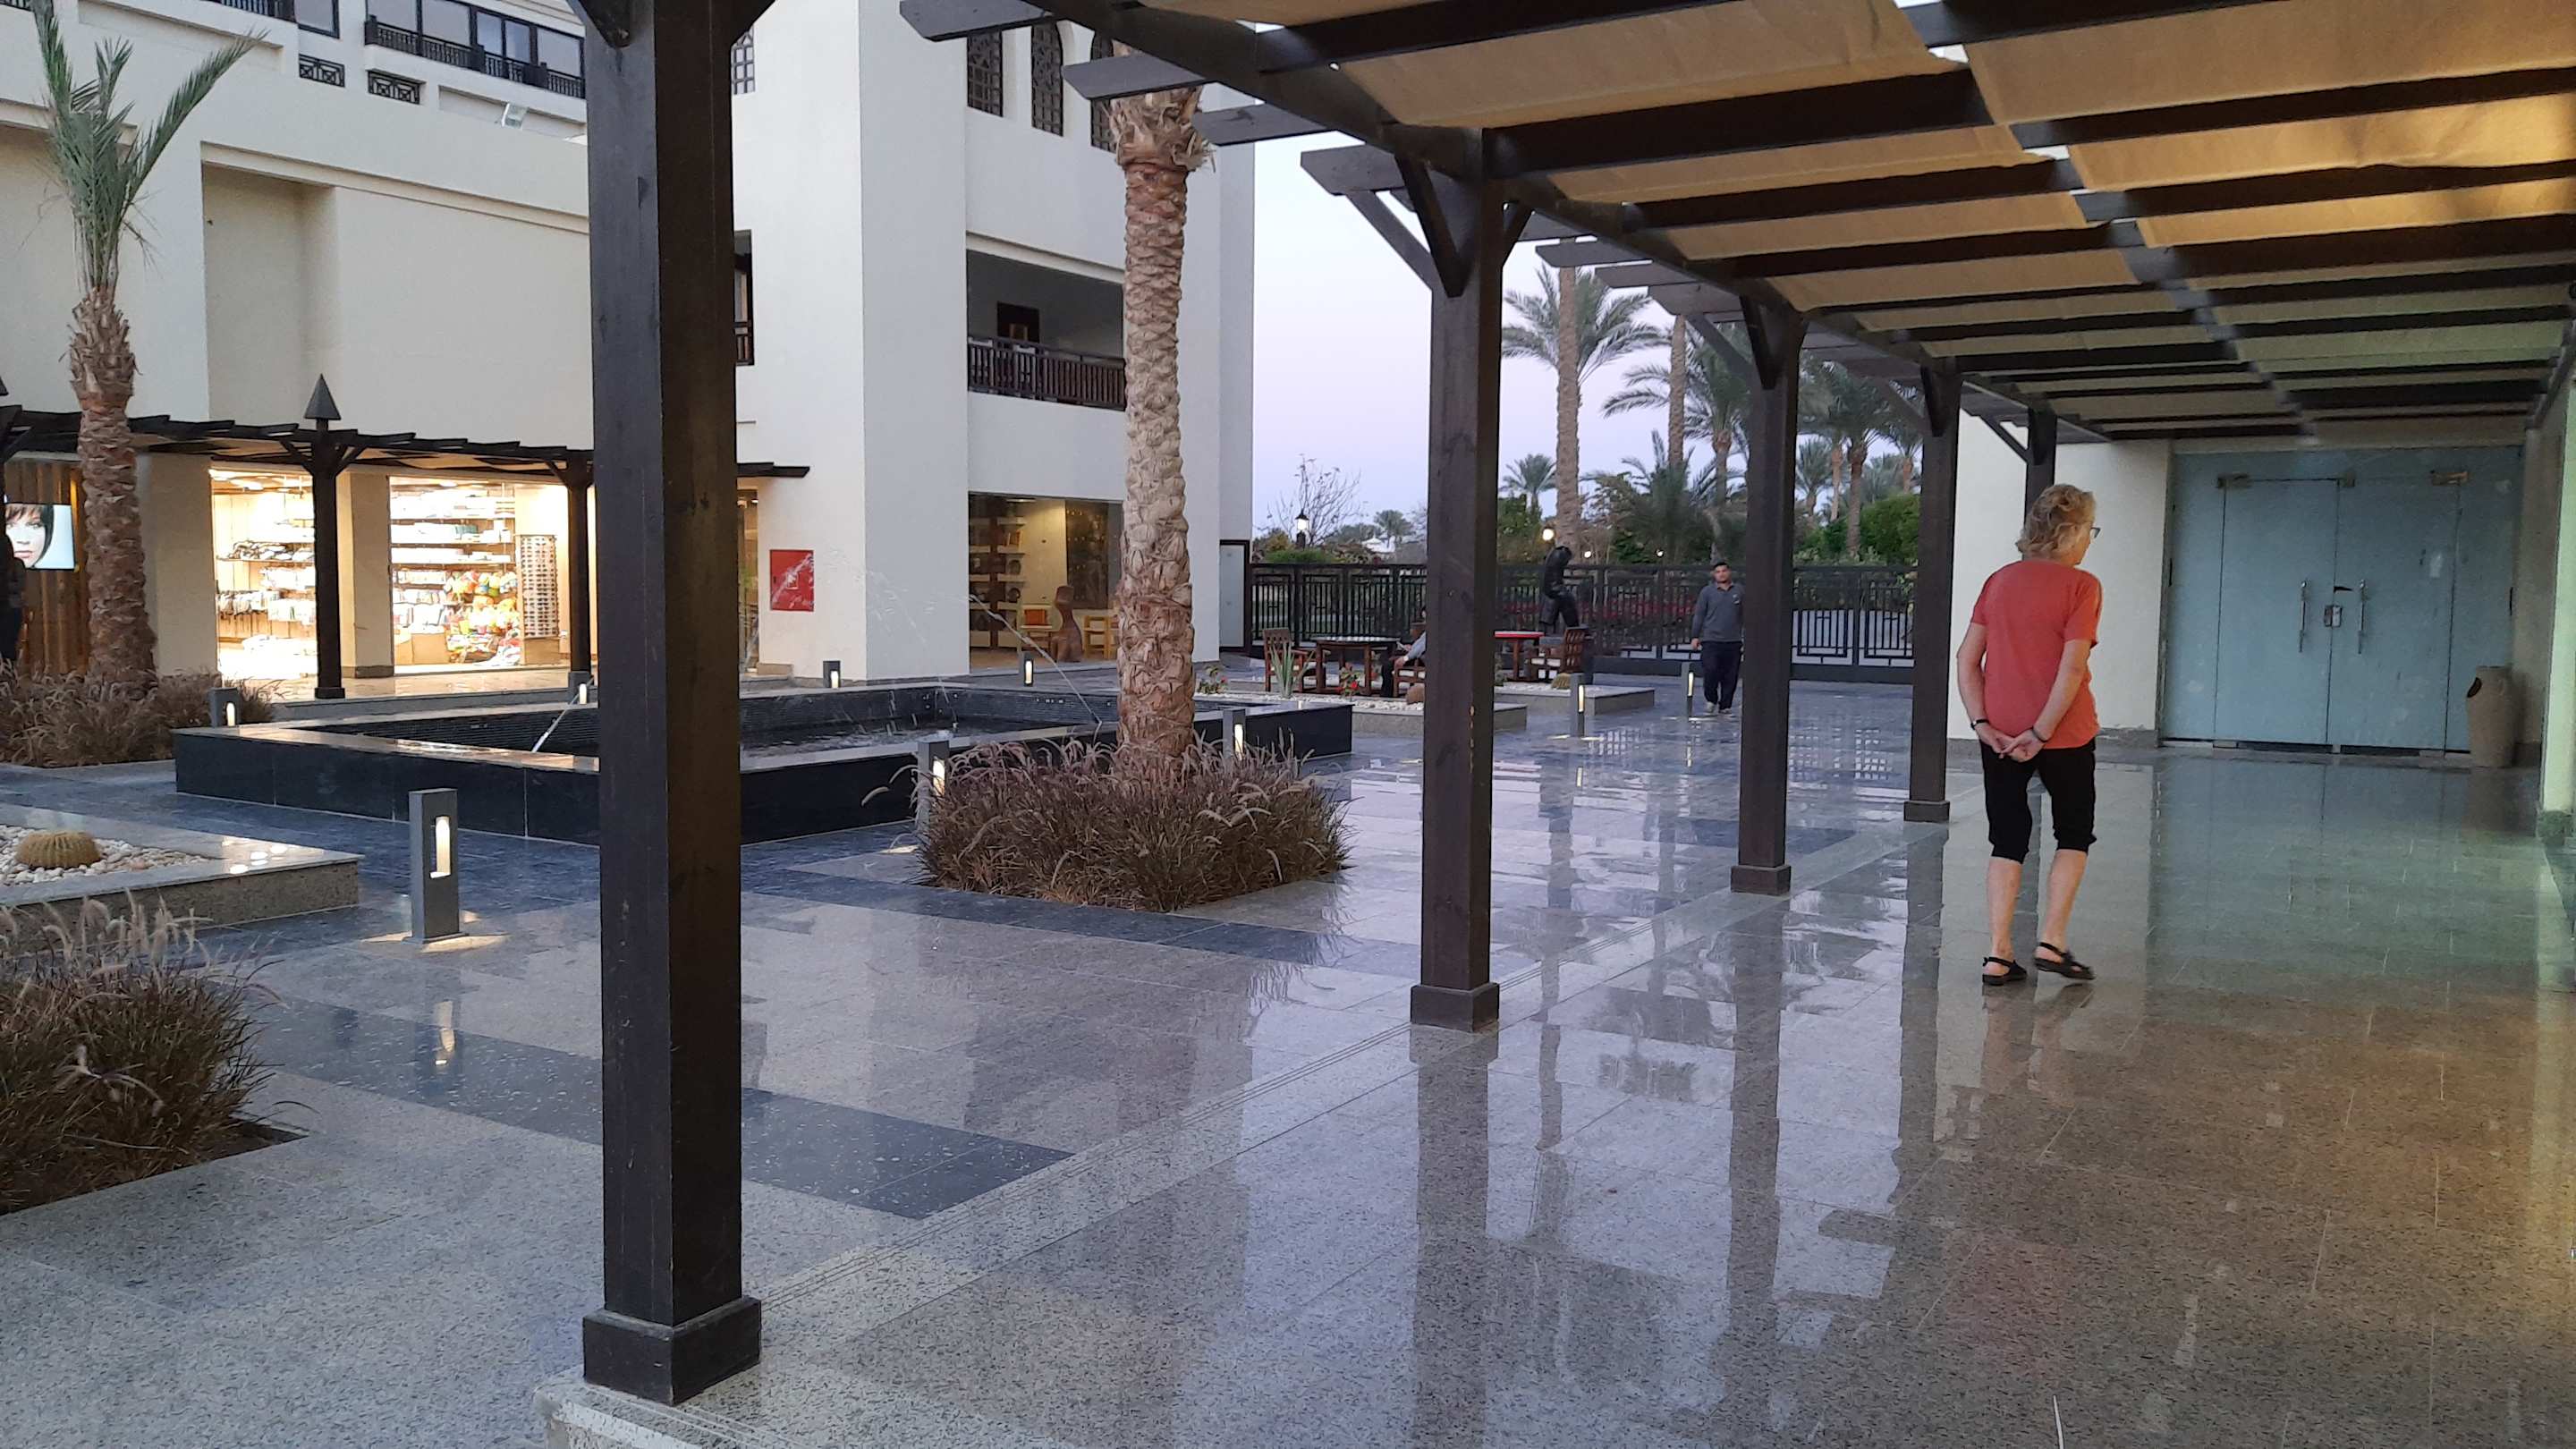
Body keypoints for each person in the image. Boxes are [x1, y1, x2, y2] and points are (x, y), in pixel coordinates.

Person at [1958, 483, 2103, 987]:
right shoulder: (2082, 586)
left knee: (2007, 838)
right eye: (2091, 531)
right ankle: (2052, 941)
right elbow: (2071, 668)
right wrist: (2041, 732)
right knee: (2074, 832)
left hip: (2000, 734)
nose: (2090, 542)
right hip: (2066, 733)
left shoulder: (1999, 581)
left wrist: (1982, 725)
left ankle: (1998, 953)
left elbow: (1967, 660)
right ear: (2073, 533)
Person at [1687, 560, 1744, 712]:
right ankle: (1711, 699)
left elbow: (1745, 615)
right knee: (1710, 670)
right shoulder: (1707, 592)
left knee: (1730, 676)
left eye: (1724, 571)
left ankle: (1726, 705)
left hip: (1733, 640)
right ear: (1713, 575)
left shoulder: (1739, 591)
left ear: (1729, 572)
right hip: (1711, 640)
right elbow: (1699, 614)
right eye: (1718, 572)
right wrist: (1695, 636)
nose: (1721, 574)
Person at [1538, 543, 1580, 631]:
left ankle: (1547, 626)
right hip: (1554, 588)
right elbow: (1554, 580)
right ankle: (1575, 629)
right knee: (1567, 600)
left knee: (1562, 600)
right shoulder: (1559, 555)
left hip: (1552, 588)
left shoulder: (1555, 554)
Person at [0, 539, 22, 669]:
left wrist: (5, 586)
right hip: (7, 605)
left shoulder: (16, 564)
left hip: (12, 607)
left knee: (8, 643)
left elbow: (21, 585)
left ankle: (9, 670)